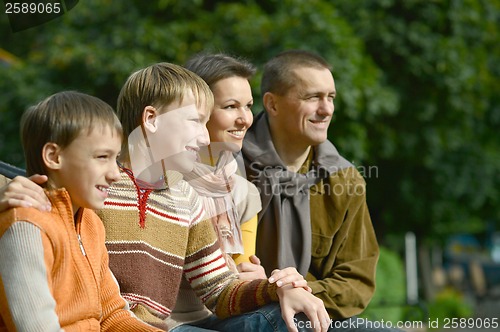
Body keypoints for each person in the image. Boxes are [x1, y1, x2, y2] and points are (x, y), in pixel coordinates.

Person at [242, 50, 390, 331]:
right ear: (272, 104)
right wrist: (272, 291)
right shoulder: (230, 166)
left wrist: (300, 293)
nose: (327, 109)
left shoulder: (345, 181)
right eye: (312, 97)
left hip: (316, 315)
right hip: (245, 312)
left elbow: (356, 280)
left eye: (331, 97)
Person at [0, 91, 162, 331]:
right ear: (54, 156)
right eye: (101, 157)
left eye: (115, 158)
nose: (115, 174)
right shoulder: (25, 224)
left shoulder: (91, 224)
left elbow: (113, 316)